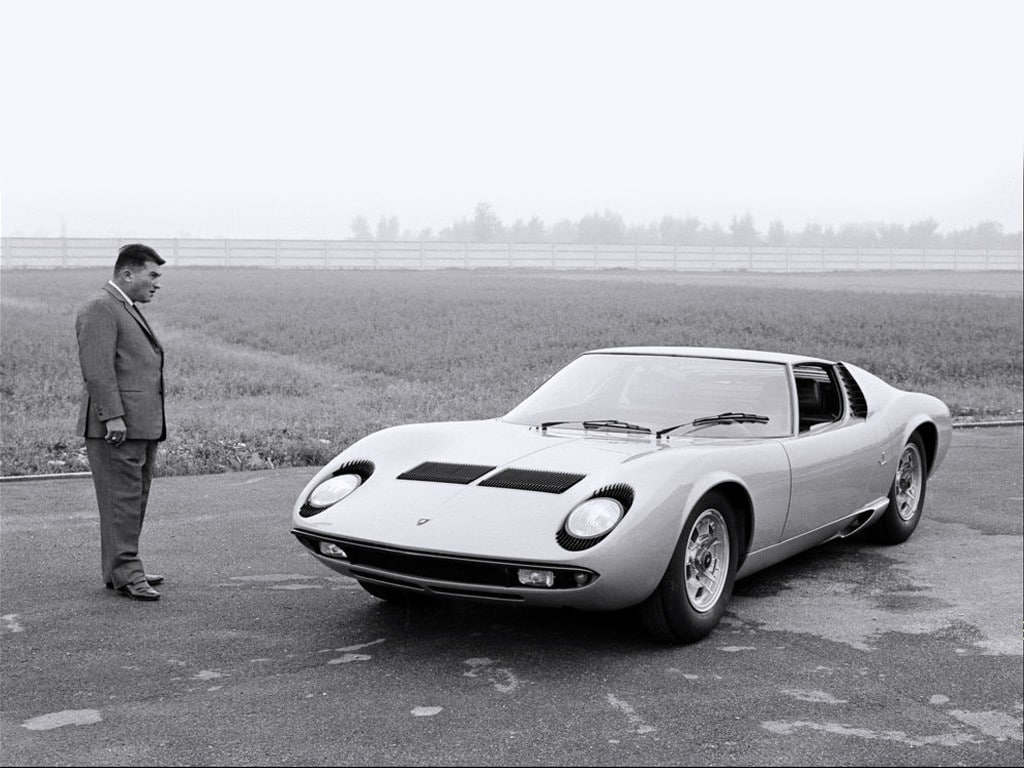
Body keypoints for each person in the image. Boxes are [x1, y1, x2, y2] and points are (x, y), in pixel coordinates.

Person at [75, 243, 167, 601]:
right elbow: (97, 369)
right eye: (152, 275)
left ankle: (121, 569)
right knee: (121, 500)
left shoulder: (124, 307)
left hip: (139, 426)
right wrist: (112, 416)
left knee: (131, 498)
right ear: (127, 274)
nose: (157, 283)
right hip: (118, 427)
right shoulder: (100, 307)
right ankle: (128, 571)